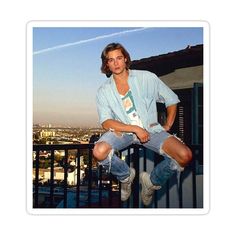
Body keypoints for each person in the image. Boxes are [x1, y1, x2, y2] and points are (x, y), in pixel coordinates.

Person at [93, 42, 192, 206]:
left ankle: (151, 181)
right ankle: (125, 176)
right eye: (111, 60)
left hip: (151, 130)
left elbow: (171, 99)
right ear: (107, 64)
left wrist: (167, 125)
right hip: (123, 132)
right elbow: (106, 122)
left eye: (119, 58)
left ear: (125, 59)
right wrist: (134, 128)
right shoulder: (103, 90)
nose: (116, 63)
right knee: (99, 151)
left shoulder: (146, 77)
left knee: (185, 156)